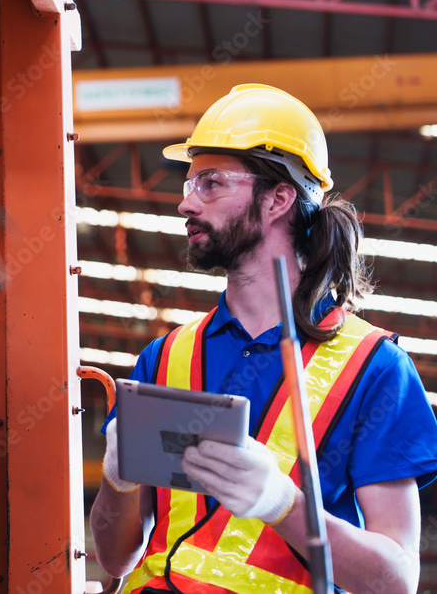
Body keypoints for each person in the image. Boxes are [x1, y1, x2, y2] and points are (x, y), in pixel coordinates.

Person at [90, 83, 437, 594]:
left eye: (210, 183)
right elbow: (116, 560)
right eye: (189, 184)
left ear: (278, 198)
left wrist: (284, 506)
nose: (185, 204)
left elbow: (395, 579)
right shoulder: (163, 359)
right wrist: (117, 481)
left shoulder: (374, 368)